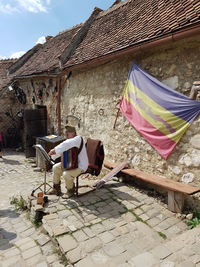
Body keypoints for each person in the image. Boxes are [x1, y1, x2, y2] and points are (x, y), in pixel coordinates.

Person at [48, 126, 88, 198]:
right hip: (70, 162)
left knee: (66, 174)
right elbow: (63, 148)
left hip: (81, 166)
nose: (66, 135)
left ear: (74, 133)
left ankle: (70, 190)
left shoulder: (77, 139)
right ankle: (56, 189)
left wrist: (54, 150)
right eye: (65, 133)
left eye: (68, 133)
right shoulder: (70, 141)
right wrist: (52, 156)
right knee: (55, 167)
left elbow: (66, 144)